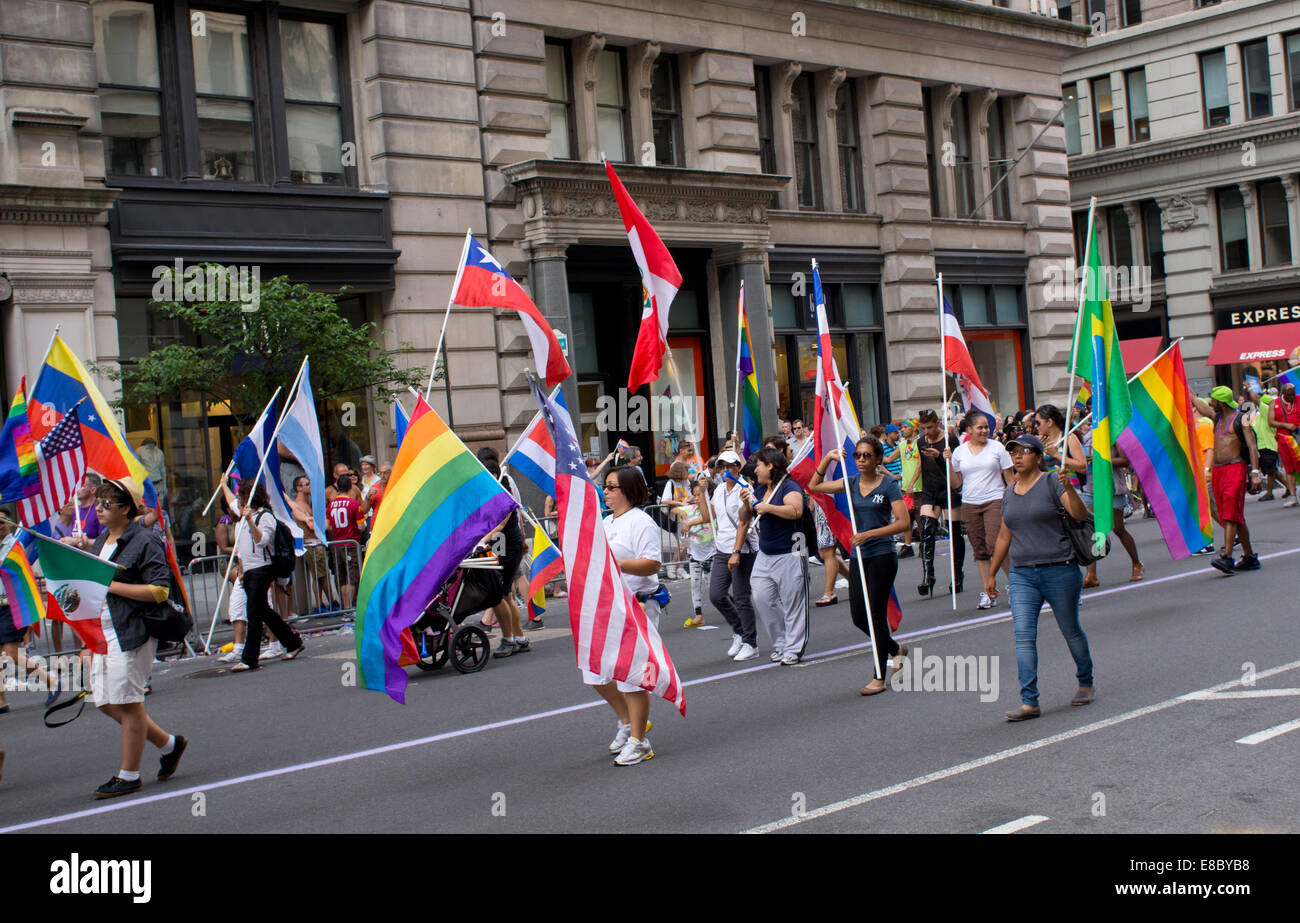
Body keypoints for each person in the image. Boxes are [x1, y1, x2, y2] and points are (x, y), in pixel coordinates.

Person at [67, 477, 188, 796]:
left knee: (129, 701)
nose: (99, 509)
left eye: (107, 504)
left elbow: (160, 590)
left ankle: (129, 775)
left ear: (126, 508)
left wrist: (111, 585)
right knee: (105, 701)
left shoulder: (145, 540)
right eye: (98, 503)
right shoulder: (101, 540)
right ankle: (170, 744)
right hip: (102, 631)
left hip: (132, 630)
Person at [986, 435, 1094, 722]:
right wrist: (992, 573)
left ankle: (1085, 682)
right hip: (1022, 573)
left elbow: (1079, 515)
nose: (1017, 457)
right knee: (1023, 636)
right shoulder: (1009, 492)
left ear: (1037, 456)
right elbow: (1004, 534)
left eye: (1024, 451)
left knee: (1070, 629)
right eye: (1013, 452)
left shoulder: (1052, 481)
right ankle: (1029, 701)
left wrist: (1069, 487)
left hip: (1059, 568)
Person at [810, 436, 910, 695]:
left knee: (876, 613)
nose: (862, 460)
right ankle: (895, 648)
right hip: (858, 557)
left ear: (878, 459)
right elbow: (815, 485)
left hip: (882, 555)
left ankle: (879, 676)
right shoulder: (850, 482)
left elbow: (903, 523)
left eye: (867, 455)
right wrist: (828, 459)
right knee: (858, 616)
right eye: (858, 456)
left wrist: (870, 534)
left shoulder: (888, 485)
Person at [595, 465, 663, 766]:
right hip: (608, 606)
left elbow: (652, 564)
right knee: (595, 673)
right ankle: (627, 721)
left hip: (637, 605)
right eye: (605, 486)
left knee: (632, 677)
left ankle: (640, 740)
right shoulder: (606, 522)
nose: (606, 492)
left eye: (611, 487)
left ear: (628, 490)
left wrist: (617, 563)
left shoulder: (642, 522)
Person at [229, 478, 306, 672]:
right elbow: (242, 547)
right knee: (264, 611)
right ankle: (293, 642)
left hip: (262, 569)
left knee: (253, 612)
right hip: (248, 571)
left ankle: (249, 658)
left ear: (249, 497)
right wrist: (241, 568)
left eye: (241, 495)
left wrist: (249, 520)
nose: (238, 499)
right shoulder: (242, 519)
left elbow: (262, 541)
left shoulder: (265, 517)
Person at [743, 446, 808, 665]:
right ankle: (780, 643)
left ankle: (793, 648)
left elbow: (795, 511)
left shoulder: (789, 486)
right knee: (762, 598)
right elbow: (748, 515)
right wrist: (746, 503)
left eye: (759, 465)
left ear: (770, 465)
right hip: (766, 552)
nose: (756, 470)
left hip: (790, 551)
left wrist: (768, 508)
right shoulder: (760, 489)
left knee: (793, 602)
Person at [1191, 387, 1262, 574]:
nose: (1210, 402)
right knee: (1232, 515)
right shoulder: (1216, 417)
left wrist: (1255, 472)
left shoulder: (1242, 419)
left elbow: (1252, 446)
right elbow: (1193, 399)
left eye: (1213, 400)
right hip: (1219, 471)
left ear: (1221, 402)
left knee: (1231, 512)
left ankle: (1228, 558)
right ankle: (1249, 557)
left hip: (1235, 469)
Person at [948, 411, 1014, 609]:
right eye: (980, 427)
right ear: (969, 430)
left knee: (996, 544)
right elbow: (956, 483)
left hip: (995, 499)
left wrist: (1014, 501)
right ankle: (988, 591)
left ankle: (1017, 585)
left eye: (987, 427)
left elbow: (1010, 479)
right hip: (970, 503)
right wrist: (947, 463)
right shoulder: (959, 452)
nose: (985, 431)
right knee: (980, 549)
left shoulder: (998, 448)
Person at [709, 450, 759, 662]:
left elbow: (744, 521)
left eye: (730, 466)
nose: (725, 470)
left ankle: (751, 642)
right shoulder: (719, 488)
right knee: (716, 594)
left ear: (738, 467)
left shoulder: (745, 489)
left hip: (742, 548)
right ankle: (739, 631)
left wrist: (736, 552)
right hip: (722, 547)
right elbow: (709, 515)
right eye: (721, 466)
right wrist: (701, 493)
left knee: (740, 596)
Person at [478, 454, 530, 658]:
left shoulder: (503, 494)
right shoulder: (489, 493)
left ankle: (508, 640)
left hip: (508, 546)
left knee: (498, 595)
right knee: (506, 595)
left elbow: (500, 524)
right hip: (502, 545)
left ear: (493, 474)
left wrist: (483, 539)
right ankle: (519, 638)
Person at [913, 409, 963, 597]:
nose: (927, 431)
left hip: (949, 488)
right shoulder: (920, 442)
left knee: (954, 533)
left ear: (937, 423)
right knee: (926, 531)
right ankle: (928, 576)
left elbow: (956, 467)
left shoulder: (950, 440)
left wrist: (941, 457)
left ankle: (957, 575)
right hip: (930, 490)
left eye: (930, 427)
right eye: (924, 428)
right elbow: (922, 466)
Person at [286, 474, 338, 615]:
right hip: (311, 543)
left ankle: (324, 604)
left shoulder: (305, 504)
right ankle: (325, 604)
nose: (309, 486)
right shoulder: (298, 505)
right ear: (299, 488)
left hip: (315, 543)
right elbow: (310, 525)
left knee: (321, 575)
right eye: (306, 483)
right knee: (321, 576)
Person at [326, 473, 370, 609]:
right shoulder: (355, 504)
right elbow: (361, 526)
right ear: (351, 487)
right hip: (351, 544)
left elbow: (327, 527)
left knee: (342, 577)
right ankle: (349, 608)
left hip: (336, 545)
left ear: (338, 487)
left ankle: (345, 608)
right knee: (352, 577)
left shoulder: (331, 505)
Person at [679, 473, 715, 627]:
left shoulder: (712, 507)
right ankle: (698, 615)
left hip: (711, 552)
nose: (696, 497)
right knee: (695, 584)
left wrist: (690, 523)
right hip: (694, 553)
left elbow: (707, 517)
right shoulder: (692, 508)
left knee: (712, 587)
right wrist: (681, 509)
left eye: (699, 494)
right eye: (694, 494)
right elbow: (675, 510)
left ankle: (731, 603)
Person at [1253, 392, 1291, 503]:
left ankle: (1269, 493)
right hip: (1263, 445)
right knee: (1273, 470)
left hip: (1268, 445)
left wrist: (1252, 389)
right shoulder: (1260, 414)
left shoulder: (1266, 411)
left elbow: (1257, 401)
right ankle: (1289, 487)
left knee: (1270, 471)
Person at [659, 461, 693, 580]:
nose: (688, 473)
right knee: (683, 543)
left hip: (685, 515)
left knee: (685, 543)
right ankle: (674, 566)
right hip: (676, 516)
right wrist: (680, 503)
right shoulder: (671, 483)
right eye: (686, 470)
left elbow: (690, 495)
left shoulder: (686, 482)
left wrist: (688, 500)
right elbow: (665, 500)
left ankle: (679, 567)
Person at [1272, 381, 1300, 507]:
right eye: (1289, 395)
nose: (1291, 397)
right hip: (1284, 440)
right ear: (1283, 393)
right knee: (1289, 470)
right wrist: (1285, 425)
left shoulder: (1298, 399)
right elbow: (1270, 421)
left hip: (1298, 439)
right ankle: (1293, 496)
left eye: (1293, 394)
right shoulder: (1275, 403)